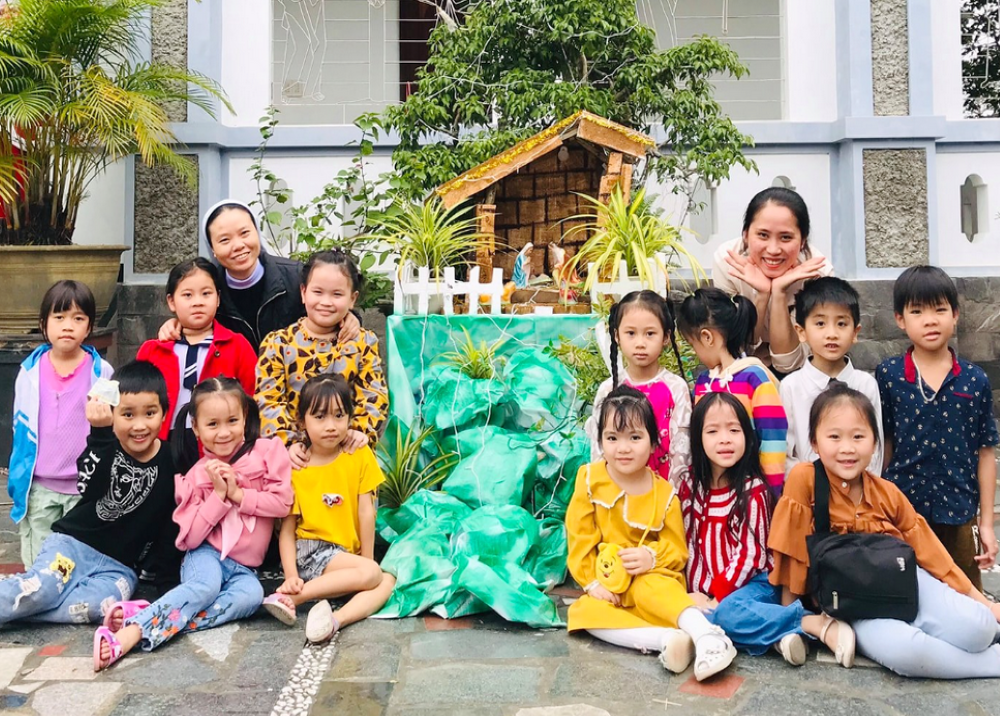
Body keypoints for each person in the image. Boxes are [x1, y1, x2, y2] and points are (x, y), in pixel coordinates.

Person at [769, 384, 1000, 678]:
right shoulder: (806, 478)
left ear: (875, 443)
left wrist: (984, 603)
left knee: (979, 629)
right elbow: (791, 546)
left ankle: (973, 634)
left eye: (858, 436)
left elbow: (930, 550)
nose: (847, 448)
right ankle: (993, 662)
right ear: (814, 442)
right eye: (834, 437)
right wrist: (793, 617)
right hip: (854, 603)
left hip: (905, 582)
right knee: (908, 653)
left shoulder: (886, 492)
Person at [94, 377, 293, 670]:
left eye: (232, 421)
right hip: (205, 556)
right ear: (197, 429)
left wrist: (238, 494)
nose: (224, 432)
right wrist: (220, 497)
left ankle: (152, 614)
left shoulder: (268, 452)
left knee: (250, 597)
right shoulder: (195, 476)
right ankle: (130, 634)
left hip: (245, 567)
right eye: (212, 425)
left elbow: (282, 503)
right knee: (205, 586)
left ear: (245, 418)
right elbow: (190, 539)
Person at [566, 385, 737, 682]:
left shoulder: (664, 495)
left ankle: (707, 635)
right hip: (611, 585)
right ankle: (667, 640)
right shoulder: (590, 480)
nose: (623, 448)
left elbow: (677, 549)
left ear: (653, 441)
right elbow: (580, 537)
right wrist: (593, 584)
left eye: (635, 437)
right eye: (612, 438)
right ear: (601, 442)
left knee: (653, 590)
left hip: (652, 579)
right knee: (584, 614)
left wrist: (651, 557)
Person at [0, 361, 176, 628]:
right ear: (112, 414)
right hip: (74, 546)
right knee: (42, 590)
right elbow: (88, 486)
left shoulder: (171, 460)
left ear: (164, 413)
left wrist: (166, 583)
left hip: (119, 569)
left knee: (97, 608)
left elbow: (169, 522)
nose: (139, 425)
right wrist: (101, 433)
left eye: (149, 413)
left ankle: (21, 611)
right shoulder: (105, 446)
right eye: (128, 415)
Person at [679, 392, 847, 666]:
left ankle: (809, 622)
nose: (725, 439)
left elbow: (750, 556)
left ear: (747, 435)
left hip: (754, 584)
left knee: (726, 614)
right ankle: (782, 639)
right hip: (707, 591)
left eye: (734, 430)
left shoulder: (751, 490)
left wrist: (715, 597)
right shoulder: (690, 485)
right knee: (683, 608)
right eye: (712, 431)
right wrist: (690, 591)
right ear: (698, 438)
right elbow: (687, 541)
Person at [876, 266, 999, 592]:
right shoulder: (888, 376)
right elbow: (883, 444)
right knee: (907, 595)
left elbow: (986, 452)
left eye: (940, 309)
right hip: (903, 511)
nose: (930, 320)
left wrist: (986, 524)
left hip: (959, 511)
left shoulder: (975, 380)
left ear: (955, 314)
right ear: (900, 319)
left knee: (966, 597)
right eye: (917, 311)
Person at [261, 374, 396, 642]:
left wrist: (366, 562)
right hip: (312, 552)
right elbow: (287, 530)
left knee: (386, 581)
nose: (331, 426)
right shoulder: (297, 468)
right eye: (320, 417)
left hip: (346, 554)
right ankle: (291, 595)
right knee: (372, 574)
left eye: (339, 415)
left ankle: (333, 622)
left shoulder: (358, 455)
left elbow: (366, 511)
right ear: (302, 422)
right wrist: (290, 576)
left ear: (349, 417)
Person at [157, 199, 360, 353]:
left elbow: (329, 305)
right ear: (213, 249)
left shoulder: (295, 276)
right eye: (225, 239)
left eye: (245, 233)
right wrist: (177, 325)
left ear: (257, 233)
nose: (238, 245)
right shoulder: (209, 287)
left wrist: (351, 318)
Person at [8, 280, 115, 566]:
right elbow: (20, 432)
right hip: (40, 487)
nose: (68, 325)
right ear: (44, 324)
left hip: (83, 488)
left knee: (74, 563)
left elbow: (110, 428)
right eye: (59, 317)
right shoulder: (29, 371)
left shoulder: (101, 372)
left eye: (78, 318)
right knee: (39, 564)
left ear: (89, 326)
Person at [256, 249, 388, 453]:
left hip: (347, 453)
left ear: (352, 299)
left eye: (337, 294)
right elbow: (267, 400)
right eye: (317, 292)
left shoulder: (362, 343)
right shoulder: (278, 344)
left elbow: (374, 394)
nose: (326, 302)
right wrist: (290, 443)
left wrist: (360, 431)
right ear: (303, 292)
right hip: (294, 459)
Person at [678, 287, 788, 496]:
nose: (696, 353)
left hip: (753, 493)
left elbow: (773, 438)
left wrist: (770, 494)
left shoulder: (754, 378)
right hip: (713, 492)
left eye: (693, 345)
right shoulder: (704, 383)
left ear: (707, 337)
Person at [713, 187, 832, 374]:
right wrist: (762, 294)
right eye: (763, 235)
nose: (773, 249)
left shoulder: (818, 274)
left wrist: (778, 293)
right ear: (745, 235)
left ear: (802, 241)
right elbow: (735, 353)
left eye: (786, 237)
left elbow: (789, 364)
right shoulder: (727, 262)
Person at [138, 258, 257, 443]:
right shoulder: (153, 350)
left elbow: (252, 397)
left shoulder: (237, 346)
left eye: (206, 294)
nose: (197, 302)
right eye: (187, 295)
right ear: (171, 301)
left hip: (220, 443)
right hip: (163, 441)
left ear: (218, 298)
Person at [585, 290, 691, 485]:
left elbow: (682, 453)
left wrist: (672, 498)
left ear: (666, 336)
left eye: (650, 333)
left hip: (663, 495)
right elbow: (598, 450)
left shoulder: (675, 388)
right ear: (617, 336)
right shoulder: (609, 390)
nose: (640, 343)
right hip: (616, 495)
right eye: (631, 333)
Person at [780, 276, 883, 474]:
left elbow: (875, 450)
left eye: (842, 324)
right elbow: (784, 454)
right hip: (809, 495)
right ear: (801, 332)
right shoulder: (791, 387)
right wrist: (812, 483)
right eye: (820, 323)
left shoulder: (866, 384)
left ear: (855, 332)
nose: (832, 333)